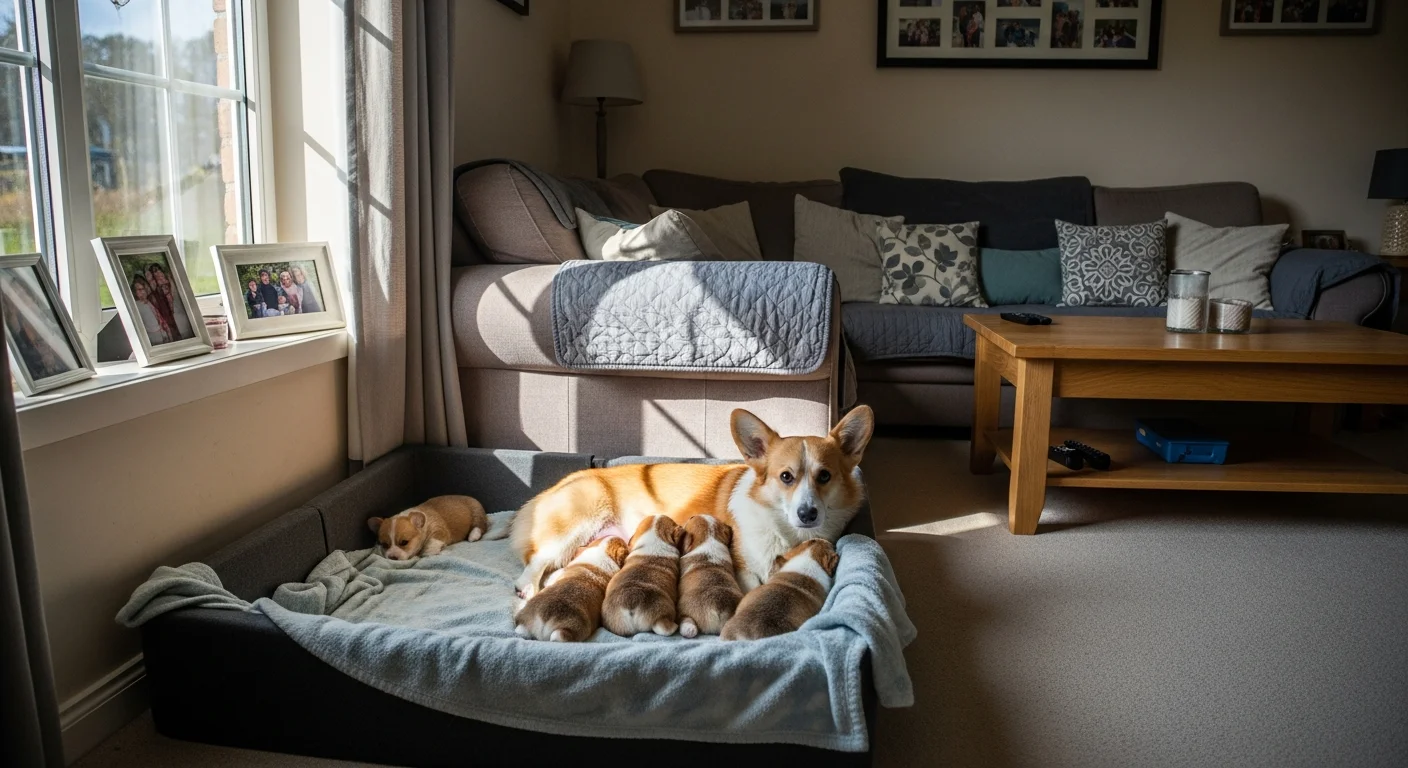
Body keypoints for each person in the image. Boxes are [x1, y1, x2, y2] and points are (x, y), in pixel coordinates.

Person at [131, 275, 173, 345]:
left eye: (144, 289)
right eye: (139, 290)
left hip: (161, 334)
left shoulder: (150, 301)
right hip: (151, 337)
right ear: (135, 291)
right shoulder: (135, 306)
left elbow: (159, 318)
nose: (143, 292)